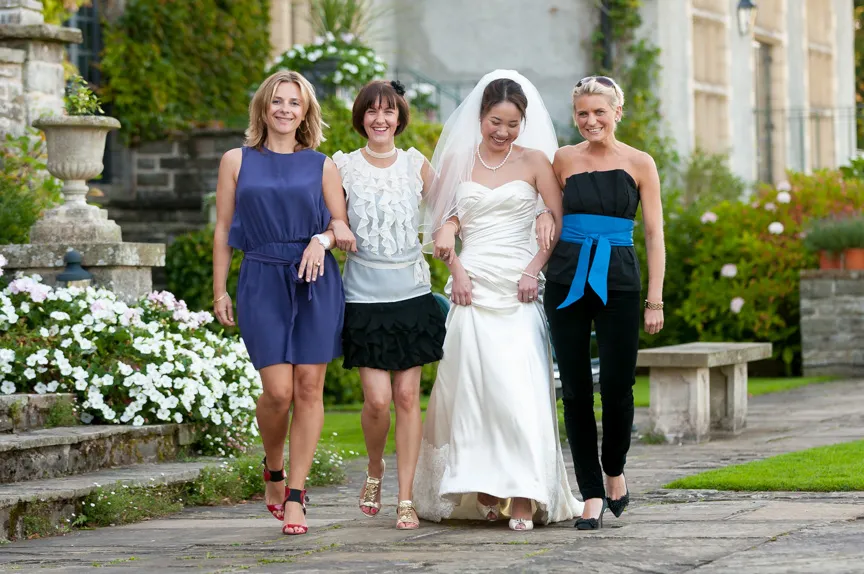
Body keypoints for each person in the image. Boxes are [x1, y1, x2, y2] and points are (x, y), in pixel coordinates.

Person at [412, 70, 583, 532]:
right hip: (471, 285)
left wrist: (535, 266)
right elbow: (444, 226)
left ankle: (524, 493)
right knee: (470, 391)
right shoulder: (458, 163)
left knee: (517, 390)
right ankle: (483, 486)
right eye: (495, 121)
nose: (503, 132)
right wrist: (457, 271)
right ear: (481, 117)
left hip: (519, 284)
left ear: (523, 123)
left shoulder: (534, 162)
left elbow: (558, 223)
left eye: (512, 123)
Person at [212, 70, 356, 536]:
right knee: (277, 391)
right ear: (263, 107)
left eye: (294, 102)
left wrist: (322, 238)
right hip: (261, 278)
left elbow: (342, 225)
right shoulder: (235, 160)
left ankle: (296, 494)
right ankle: (272, 468)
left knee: (309, 388)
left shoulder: (322, 165)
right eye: (277, 101)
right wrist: (220, 289)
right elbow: (222, 231)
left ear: (305, 112)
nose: (285, 109)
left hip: (314, 280)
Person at [545, 75, 665, 529]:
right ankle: (591, 492)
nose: (590, 120)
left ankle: (614, 469)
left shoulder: (640, 162)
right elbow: (551, 214)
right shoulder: (563, 159)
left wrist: (654, 300)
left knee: (617, 388)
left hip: (619, 280)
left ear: (618, 112)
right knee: (574, 391)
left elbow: (653, 233)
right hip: (565, 279)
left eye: (599, 111)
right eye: (582, 113)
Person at [331, 80, 445, 530]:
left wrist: (446, 236)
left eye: (389, 111)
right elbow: (331, 216)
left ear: (400, 118)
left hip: (411, 294)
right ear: (361, 117)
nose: (380, 119)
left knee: (405, 397)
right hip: (363, 296)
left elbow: (450, 208)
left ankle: (406, 497)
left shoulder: (417, 164)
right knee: (377, 401)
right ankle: (375, 468)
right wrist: (336, 227)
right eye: (372, 111)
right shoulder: (341, 166)